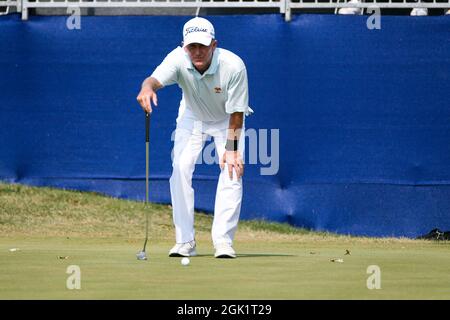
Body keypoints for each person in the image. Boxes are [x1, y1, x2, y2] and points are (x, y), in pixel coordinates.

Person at [136, 17, 252, 259]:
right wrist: (147, 89)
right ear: (184, 46)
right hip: (192, 116)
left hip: (226, 119)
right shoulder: (177, 58)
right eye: (192, 47)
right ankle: (185, 242)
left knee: (232, 169)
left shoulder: (234, 66)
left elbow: (237, 113)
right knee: (179, 168)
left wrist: (231, 150)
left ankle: (223, 242)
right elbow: (152, 80)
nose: (197, 52)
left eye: (202, 46)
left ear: (214, 44)